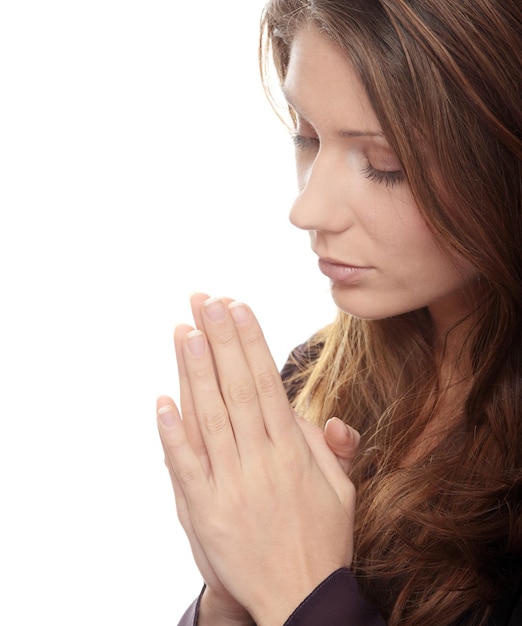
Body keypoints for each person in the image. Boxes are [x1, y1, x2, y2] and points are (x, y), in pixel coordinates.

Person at [156, 0, 522, 624]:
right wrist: (227, 601)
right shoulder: (313, 377)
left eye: (384, 165)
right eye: (306, 136)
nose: (307, 210)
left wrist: (302, 596)